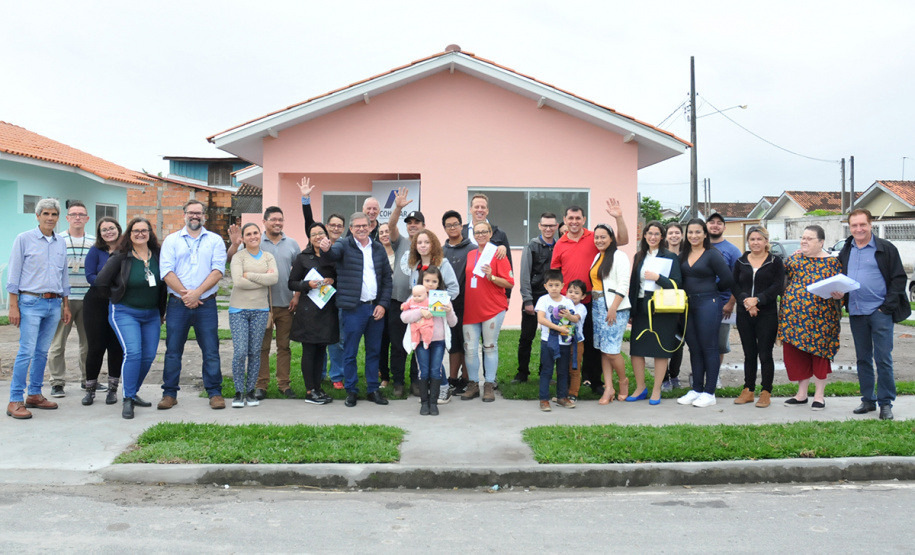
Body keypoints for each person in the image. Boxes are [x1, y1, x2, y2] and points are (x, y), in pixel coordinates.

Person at [551, 199, 629, 395]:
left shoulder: (596, 237)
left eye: (578, 218)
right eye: (571, 218)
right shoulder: (560, 244)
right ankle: (569, 380)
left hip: (593, 302)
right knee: (569, 343)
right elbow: (555, 272)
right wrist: (558, 298)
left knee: (595, 345)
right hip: (569, 305)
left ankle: (595, 380)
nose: (575, 221)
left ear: (584, 219)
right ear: (565, 220)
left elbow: (623, 240)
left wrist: (618, 217)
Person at [836, 209, 907, 421]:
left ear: (870, 224)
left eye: (862, 225)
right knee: (862, 359)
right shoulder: (846, 249)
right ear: (850, 227)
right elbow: (840, 276)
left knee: (883, 359)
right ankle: (868, 399)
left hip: (880, 312)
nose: (858, 229)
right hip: (857, 313)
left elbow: (899, 279)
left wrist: (886, 308)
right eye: (854, 225)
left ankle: (886, 403)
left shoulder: (885, 248)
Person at [94, 217, 167, 419]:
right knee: (133, 352)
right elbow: (100, 282)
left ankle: (132, 392)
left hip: (151, 314)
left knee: (148, 355)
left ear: (150, 233)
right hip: (125, 312)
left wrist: (161, 311)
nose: (140, 234)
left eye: (144, 230)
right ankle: (127, 399)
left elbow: (163, 284)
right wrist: (115, 298)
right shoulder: (121, 256)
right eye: (136, 231)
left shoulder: (159, 255)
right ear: (130, 233)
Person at [158, 200, 227, 410]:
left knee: (211, 350)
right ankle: (169, 393)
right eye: (191, 213)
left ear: (204, 216)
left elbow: (218, 271)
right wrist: (186, 295)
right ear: (184, 215)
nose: (194, 216)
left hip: (206, 304)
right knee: (172, 351)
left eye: (198, 213)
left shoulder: (215, 240)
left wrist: (197, 293)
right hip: (178, 305)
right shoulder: (171, 241)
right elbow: (166, 272)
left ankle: (214, 392)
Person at [319, 212, 393, 407]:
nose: (361, 229)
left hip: (375, 309)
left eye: (364, 225)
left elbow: (387, 279)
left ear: (370, 227)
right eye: (357, 226)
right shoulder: (344, 245)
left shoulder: (378, 249)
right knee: (349, 351)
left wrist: (383, 305)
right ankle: (351, 390)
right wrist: (326, 249)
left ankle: (373, 390)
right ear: (350, 229)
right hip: (353, 309)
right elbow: (331, 256)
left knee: (374, 352)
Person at [6, 198, 70, 419]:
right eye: (46, 214)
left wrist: (65, 304)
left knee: (42, 351)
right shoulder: (24, 239)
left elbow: (64, 276)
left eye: (54, 214)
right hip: (30, 303)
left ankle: (34, 394)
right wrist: (13, 306)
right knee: (26, 351)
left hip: (54, 304)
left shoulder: (60, 242)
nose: (50, 218)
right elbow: (13, 275)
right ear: (38, 216)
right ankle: (15, 400)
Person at [229, 207, 302, 401]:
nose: (277, 223)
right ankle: (261, 384)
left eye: (280, 219)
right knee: (261, 347)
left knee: (284, 347)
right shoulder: (256, 242)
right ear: (265, 221)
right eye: (273, 220)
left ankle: (284, 384)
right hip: (262, 306)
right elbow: (234, 261)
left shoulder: (292, 244)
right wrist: (235, 244)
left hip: (287, 304)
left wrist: (297, 295)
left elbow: (300, 272)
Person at [778, 225, 842, 411]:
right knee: (797, 357)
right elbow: (779, 276)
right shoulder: (794, 260)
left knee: (819, 356)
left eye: (809, 238)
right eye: (803, 237)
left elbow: (842, 287)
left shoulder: (832, 263)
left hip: (822, 321)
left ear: (821, 242)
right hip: (793, 321)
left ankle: (819, 396)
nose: (804, 241)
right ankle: (801, 394)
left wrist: (840, 296)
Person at [676, 219, 734, 408]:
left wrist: (711, 290)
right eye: (690, 232)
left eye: (698, 232)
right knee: (694, 347)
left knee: (709, 347)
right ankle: (697, 389)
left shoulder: (712, 254)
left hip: (709, 303)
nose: (694, 236)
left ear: (705, 234)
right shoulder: (683, 254)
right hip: (688, 304)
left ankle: (709, 393)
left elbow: (727, 279)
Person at [627, 221, 682, 405]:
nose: (653, 237)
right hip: (642, 306)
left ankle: (657, 389)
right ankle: (641, 387)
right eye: (650, 233)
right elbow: (634, 285)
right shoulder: (639, 256)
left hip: (663, 308)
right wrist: (631, 311)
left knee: (661, 350)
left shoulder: (671, 257)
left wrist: (658, 278)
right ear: (644, 235)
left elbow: (677, 284)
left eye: (657, 234)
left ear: (662, 237)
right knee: (636, 349)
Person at [460, 221, 514, 402]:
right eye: (477, 232)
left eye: (484, 231)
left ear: (490, 233)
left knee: (489, 347)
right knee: (470, 349)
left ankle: (489, 384)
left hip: (492, 307)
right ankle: (473, 384)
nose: (481, 235)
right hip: (470, 308)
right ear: (473, 234)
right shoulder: (470, 254)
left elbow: (509, 283)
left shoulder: (498, 254)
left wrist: (492, 277)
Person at [732, 226, 784, 408]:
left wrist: (758, 300)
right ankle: (748, 390)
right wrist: (746, 301)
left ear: (766, 241)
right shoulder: (740, 261)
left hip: (767, 313)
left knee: (764, 353)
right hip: (744, 312)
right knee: (749, 354)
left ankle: (766, 392)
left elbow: (778, 285)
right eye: (752, 239)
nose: (755, 242)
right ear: (748, 241)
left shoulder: (774, 261)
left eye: (759, 239)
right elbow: (735, 285)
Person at [47, 201, 94, 398]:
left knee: (88, 344)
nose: (77, 217)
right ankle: (57, 382)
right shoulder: (57, 240)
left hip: (88, 299)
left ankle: (87, 380)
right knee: (58, 344)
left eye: (81, 214)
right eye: (73, 214)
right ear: (67, 218)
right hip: (63, 300)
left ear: (87, 218)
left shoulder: (93, 241)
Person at [228, 223, 278, 408]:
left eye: (255, 233)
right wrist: (262, 277)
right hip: (238, 310)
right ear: (243, 238)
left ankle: (250, 391)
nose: (253, 236)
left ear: (260, 234)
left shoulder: (268, 257)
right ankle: (239, 391)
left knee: (255, 352)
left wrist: (250, 275)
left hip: (261, 310)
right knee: (240, 352)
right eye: (248, 234)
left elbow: (274, 279)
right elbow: (238, 282)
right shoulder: (238, 257)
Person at [408, 229, 460, 404]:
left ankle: (443, 388)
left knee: (436, 358)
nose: (423, 246)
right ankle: (431, 391)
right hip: (420, 322)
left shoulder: (443, 264)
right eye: (419, 243)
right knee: (425, 360)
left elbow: (453, 288)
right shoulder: (414, 266)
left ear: (433, 244)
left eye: (427, 242)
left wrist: (441, 303)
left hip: (438, 321)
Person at [385, 187, 428, 398]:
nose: (412, 226)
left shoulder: (428, 245)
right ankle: (398, 382)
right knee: (397, 344)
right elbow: (391, 226)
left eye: (416, 223)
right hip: (398, 302)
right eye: (409, 223)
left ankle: (416, 381)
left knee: (417, 343)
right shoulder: (400, 242)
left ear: (423, 226)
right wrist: (398, 208)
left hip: (421, 305)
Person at [288, 223, 338, 405]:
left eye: (321, 233)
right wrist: (306, 285)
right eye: (313, 234)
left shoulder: (332, 257)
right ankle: (310, 391)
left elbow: (340, 278)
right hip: (308, 311)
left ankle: (318, 388)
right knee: (309, 351)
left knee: (321, 351)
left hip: (326, 310)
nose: (318, 236)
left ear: (326, 236)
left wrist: (333, 279)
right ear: (309, 238)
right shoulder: (303, 258)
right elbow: (291, 282)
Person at [401, 267, 457, 416]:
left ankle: (434, 403)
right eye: (427, 280)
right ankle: (424, 403)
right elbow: (404, 317)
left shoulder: (444, 299)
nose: (430, 284)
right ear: (421, 281)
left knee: (435, 370)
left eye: (434, 281)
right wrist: (420, 312)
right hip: (420, 341)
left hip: (438, 341)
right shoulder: (415, 298)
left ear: (439, 283)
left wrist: (449, 311)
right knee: (423, 370)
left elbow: (453, 323)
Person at [82, 217, 124, 406]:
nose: (108, 232)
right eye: (104, 229)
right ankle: (90, 390)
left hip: (119, 303)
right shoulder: (95, 251)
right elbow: (90, 276)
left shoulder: (127, 251)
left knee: (116, 348)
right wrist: (111, 283)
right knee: (96, 347)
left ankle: (112, 390)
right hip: (96, 302)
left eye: (111, 228)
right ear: (99, 233)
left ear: (118, 229)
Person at [515, 212, 559, 383]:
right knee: (526, 337)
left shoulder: (559, 246)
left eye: (552, 225)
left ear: (556, 227)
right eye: (545, 225)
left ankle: (545, 372)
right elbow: (524, 275)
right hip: (534, 297)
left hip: (553, 298)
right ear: (539, 226)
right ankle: (522, 373)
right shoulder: (532, 246)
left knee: (550, 337)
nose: (548, 229)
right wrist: (527, 300)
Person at [590, 224, 631, 405]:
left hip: (614, 307)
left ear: (612, 238)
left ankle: (623, 382)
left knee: (612, 351)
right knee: (604, 350)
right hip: (597, 306)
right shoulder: (598, 256)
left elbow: (623, 284)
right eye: (596, 237)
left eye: (603, 237)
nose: (599, 240)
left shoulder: (619, 256)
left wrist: (613, 307)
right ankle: (608, 388)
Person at [535, 269, 578, 411]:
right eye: (551, 285)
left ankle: (562, 397)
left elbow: (575, 318)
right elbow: (541, 319)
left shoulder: (567, 302)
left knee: (563, 370)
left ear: (562, 286)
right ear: (545, 286)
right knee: (546, 370)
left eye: (557, 285)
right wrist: (559, 329)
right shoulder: (543, 300)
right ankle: (544, 399)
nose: (554, 288)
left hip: (564, 342)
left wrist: (569, 316)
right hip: (548, 341)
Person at [442, 210, 474, 394]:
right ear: (445, 228)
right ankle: (453, 378)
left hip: (468, 304)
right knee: (453, 342)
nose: (452, 228)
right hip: (447, 305)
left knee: (466, 343)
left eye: (455, 224)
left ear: (461, 226)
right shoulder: (441, 250)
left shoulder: (472, 249)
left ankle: (468, 379)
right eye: (448, 225)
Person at [707, 212, 741, 384]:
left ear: (724, 227)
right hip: (700, 302)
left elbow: (738, 280)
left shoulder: (733, 251)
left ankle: (715, 376)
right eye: (711, 222)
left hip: (723, 304)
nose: (715, 225)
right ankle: (699, 375)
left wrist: (731, 302)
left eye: (719, 223)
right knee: (701, 342)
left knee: (719, 344)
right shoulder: (698, 247)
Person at [461, 193, 513, 298]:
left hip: (492, 291)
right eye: (476, 207)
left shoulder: (499, 233)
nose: (480, 210)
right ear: (470, 209)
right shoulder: (462, 232)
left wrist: (507, 295)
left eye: (483, 207)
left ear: (487, 210)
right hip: (467, 290)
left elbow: (508, 264)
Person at [661, 222, 685, 391]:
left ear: (682, 236)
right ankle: (664, 378)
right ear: (666, 236)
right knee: (662, 340)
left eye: (677, 232)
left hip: (682, 304)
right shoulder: (661, 256)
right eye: (671, 233)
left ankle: (674, 375)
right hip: (663, 303)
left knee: (679, 340)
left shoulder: (686, 256)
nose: (674, 235)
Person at [564, 280, 588, 401]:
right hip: (563, 341)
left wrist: (567, 315)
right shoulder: (563, 305)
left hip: (576, 342)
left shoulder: (581, 308)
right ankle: (562, 392)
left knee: (574, 368)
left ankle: (573, 393)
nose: (573, 294)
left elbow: (575, 318)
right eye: (570, 291)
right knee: (562, 367)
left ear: (583, 296)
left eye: (577, 293)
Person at [378, 222, 395, 387]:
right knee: (382, 341)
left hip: (397, 302)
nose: (385, 234)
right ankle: (384, 375)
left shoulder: (400, 252)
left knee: (395, 340)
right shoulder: (376, 253)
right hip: (381, 301)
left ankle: (399, 376)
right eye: (381, 232)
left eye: (387, 231)